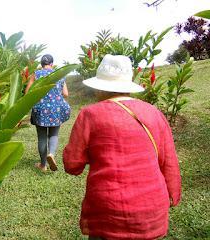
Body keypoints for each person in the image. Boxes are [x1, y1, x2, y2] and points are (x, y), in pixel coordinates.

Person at [63, 54, 181, 239]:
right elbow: (169, 161)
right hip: (151, 208)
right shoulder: (154, 113)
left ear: (101, 87)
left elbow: (72, 165)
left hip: (108, 210)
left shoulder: (90, 114)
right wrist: (173, 191)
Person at [25, 54, 70, 172]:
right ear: (52, 64)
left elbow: (27, 92)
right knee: (54, 134)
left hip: (40, 109)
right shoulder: (59, 74)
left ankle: (43, 165)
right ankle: (51, 154)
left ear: (41, 64)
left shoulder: (36, 74)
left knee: (42, 136)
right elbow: (65, 94)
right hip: (57, 109)